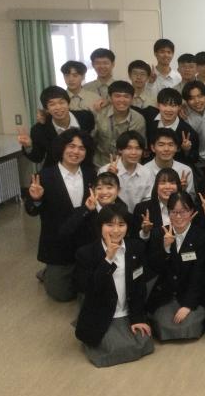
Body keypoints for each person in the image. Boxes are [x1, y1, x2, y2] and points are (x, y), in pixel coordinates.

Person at [74, 205, 153, 367]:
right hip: (102, 313)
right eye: (109, 225)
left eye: (121, 224)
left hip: (128, 310)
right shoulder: (86, 253)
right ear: (100, 226)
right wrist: (108, 259)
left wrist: (138, 318)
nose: (116, 230)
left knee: (145, 342)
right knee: (120, 349)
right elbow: (89, 288)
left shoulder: (136, 247)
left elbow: (139, 287)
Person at [24, 128, 95, 301]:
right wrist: (36, 199)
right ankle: (48, 272)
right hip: (58, 244)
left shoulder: (91, 174)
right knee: (63, 296)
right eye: (71, 146)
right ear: (62, 148)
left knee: (89, 289)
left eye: (81, 148)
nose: (76, 151)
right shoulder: (44, 176)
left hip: (85, 241)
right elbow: (31, 211)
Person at [146, 191, 205, 341]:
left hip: (191, 293)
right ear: (168, 213)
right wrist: (166, 248)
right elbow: (154, 268)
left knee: (189, 325)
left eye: (184, 211)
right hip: (165, 293)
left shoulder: (201, 236)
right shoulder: (158, 233)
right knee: (166, 325)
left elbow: (199, 274)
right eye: (174, 212)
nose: (179, 216)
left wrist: (188, 305)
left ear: (191, 211)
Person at [18, 86, 95, 168]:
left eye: (62, 102)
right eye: (52, 104)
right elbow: (38, 158)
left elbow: (92, 144)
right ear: (46, 109)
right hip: (55, 171)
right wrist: (28, 146)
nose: (58, 107)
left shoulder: (86, 117)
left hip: (84, 168)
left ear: (68, 103)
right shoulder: (39, 129)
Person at [92, 80, 146, 169]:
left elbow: (139, 147)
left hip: (128, 165)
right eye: (117, 96)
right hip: (101, 164)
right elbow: (91, 140)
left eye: (126, 96)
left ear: (132, 99)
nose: (122, 100)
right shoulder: (99, 115)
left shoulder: (138, 119)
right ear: (110, 98)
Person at [144, 87, 199, 166]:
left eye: (173, 106)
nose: (168, 109)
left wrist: (186, 150)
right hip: (151, 165)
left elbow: (194, 159)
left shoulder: (188, 132)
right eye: (165, 105)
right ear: (158, 105)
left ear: (179, 107)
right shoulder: (149, 116)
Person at [99, 131, 151, 212]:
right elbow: (101, 199)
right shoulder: (104, 170)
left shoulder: (147, 172)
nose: (134, 152)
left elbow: (147, 201)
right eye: (129, 148)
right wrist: (111, 177)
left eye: (138, 148)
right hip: (111, 216)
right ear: (120, 150)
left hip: (138, 217)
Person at [141, 128, 195, 195]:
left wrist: (182, 191)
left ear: (177, 148)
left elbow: (191, 199)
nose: (166, 149)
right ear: (153, 148)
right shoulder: (143, 171)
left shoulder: (185, 171)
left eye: (170, 145)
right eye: (161, 145)